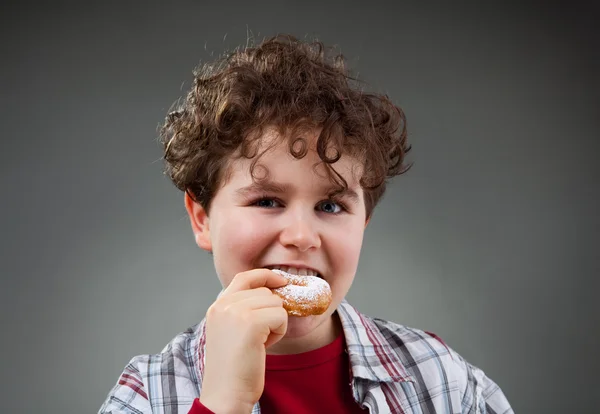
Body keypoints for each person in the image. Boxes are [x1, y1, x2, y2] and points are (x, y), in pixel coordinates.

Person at [98, 34, 513, 414]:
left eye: (330, 207)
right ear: (202, 219)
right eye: (266, 200)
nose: (300, 236)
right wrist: (223, 405)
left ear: (363, 223)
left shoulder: (440, 379)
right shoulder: (146, 394)